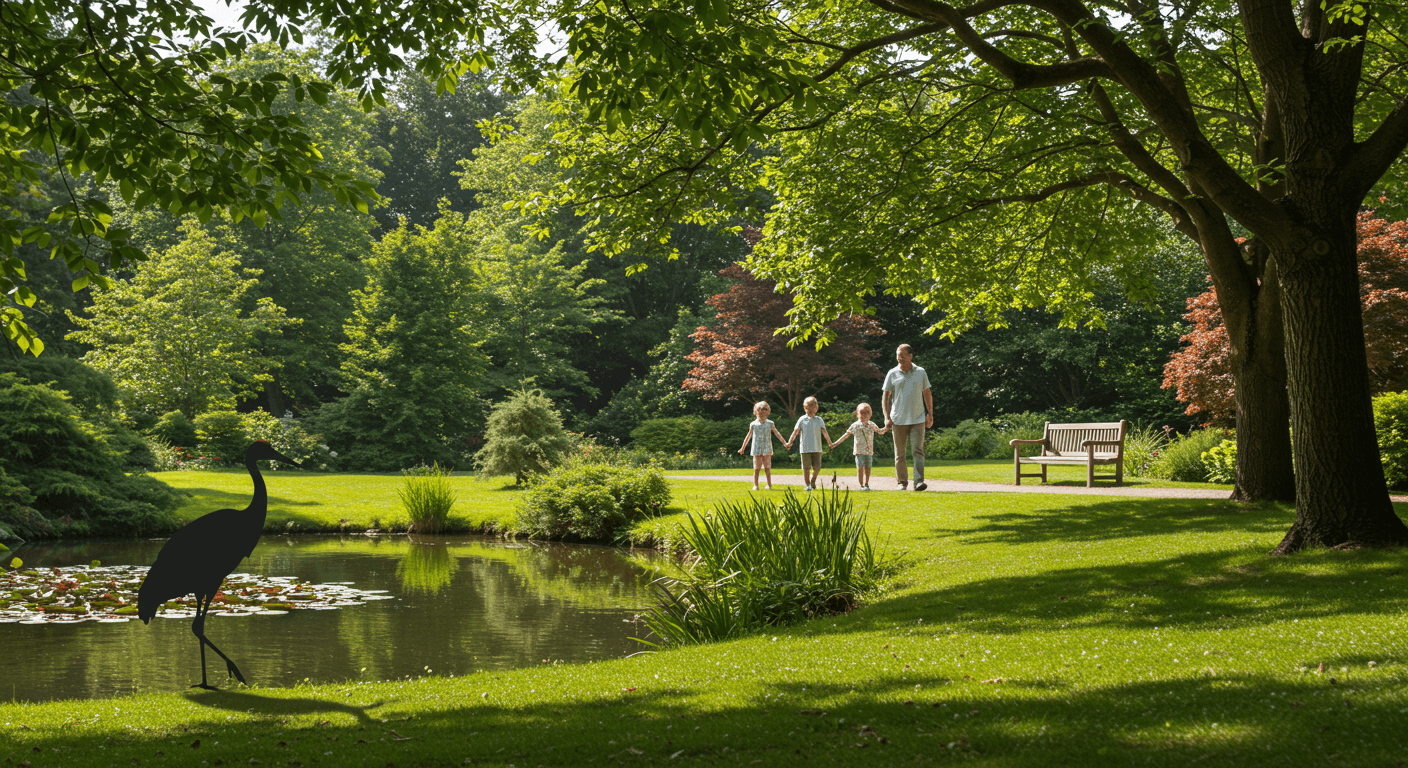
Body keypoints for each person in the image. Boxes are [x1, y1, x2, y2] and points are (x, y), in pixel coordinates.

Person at [881, 343, 933, 491]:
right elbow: (886, 397)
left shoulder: (920, 372)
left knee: (918, 451)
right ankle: (902, 483)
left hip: (918, 418)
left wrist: (930, 413)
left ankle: (918, 482)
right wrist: (886, 417)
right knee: (900, 454)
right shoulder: (892, 373)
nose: (899, 358)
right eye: (898, 355)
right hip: (898, 419)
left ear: (910, 356)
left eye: (902, 355)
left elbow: (927, 393)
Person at [831, 402, 889, 490]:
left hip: (869, 451)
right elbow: (846, 435)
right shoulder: (855, 426)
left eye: (866, 413)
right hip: (859, 451)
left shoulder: (872, 425)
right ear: (857, 414)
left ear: (870, 414)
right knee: (860, 468)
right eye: (861, 413)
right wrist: (835, 443)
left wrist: (888, 427)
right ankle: (861, 485)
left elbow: (880, 432)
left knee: (868, 468)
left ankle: (866, 484)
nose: (863, 415)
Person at [738, 400, 788, 491]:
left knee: (767, 468)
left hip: (767, 448)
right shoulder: (753, 424)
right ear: (756, 412)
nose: (762, 412)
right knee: (756, 468)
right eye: (759, 410)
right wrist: (742, 447)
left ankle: (769, 484)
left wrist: (785, 443)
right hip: (756, 448)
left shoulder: (770, 423)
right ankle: (755, 485)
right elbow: (748, 436)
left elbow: (777, 434)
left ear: (768, 412)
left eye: (764, 410)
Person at [785, 396, 832, 491]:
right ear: (805, 408)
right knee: (806, 468)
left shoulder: (819, 420)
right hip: (805, 448)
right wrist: (789, 442)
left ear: (816, 408)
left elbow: (824, 432)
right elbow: (795, 432)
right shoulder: (802, 419)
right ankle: (808, 485)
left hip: (817, 448)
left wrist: (830, 443)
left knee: (817, 468)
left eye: (813, 407)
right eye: (808, 408)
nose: (810, 410)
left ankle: (813, 481)